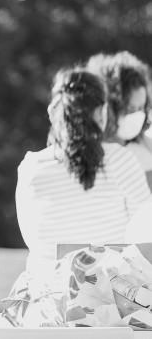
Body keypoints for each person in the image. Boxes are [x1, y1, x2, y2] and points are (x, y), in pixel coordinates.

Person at [15, 68, 151, 274]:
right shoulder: (120, 160)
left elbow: (33, 240)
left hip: (44, 295)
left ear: (53, 111)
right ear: (101, 113)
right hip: (108, 296)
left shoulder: (30, 168)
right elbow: (145, 234)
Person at [86, 51, 152, 189]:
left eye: (141, 108)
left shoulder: (145, 149)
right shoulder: (89, 154)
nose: (137, 115)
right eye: (129, 109)